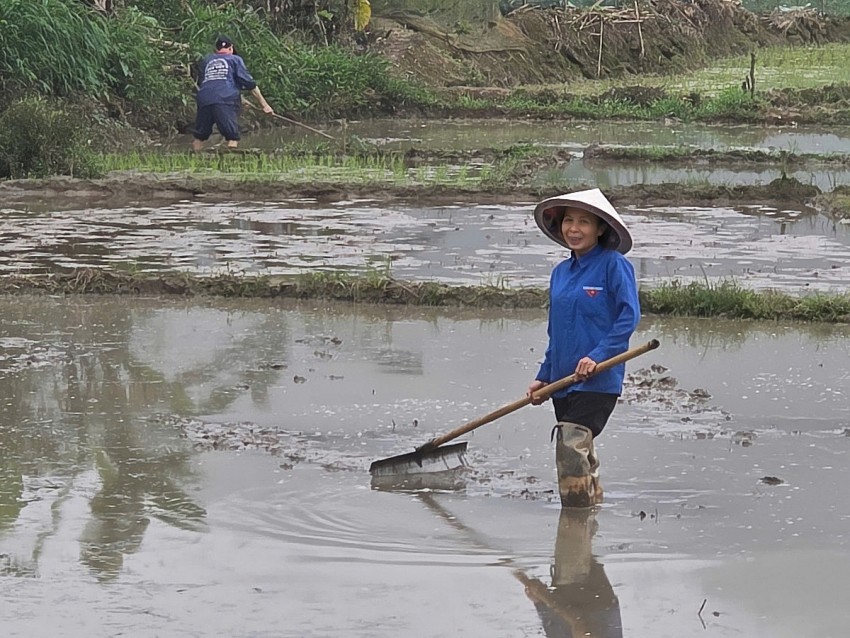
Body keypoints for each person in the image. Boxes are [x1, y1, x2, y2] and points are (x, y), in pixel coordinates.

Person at [527, 188, 640, 504]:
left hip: (598, 377)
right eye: (568, 221)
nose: (574, 229)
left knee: (571, 444)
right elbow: (556, 332)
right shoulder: (560, 273)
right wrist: (545, 376)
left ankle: (574, 521)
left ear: (600, 228)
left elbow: (628, 317)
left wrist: (597, 356)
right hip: (564, 379)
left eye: (584, 222)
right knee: (579, 447)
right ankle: (591, 513)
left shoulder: (613, 265)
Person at [192, 35, 274, 151]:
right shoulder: (235, 60)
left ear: (216, 49)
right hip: (225, 99)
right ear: (231, 48)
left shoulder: (207, 60)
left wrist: (240, 99)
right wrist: (265, 106)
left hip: (204, 98)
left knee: (199, 136)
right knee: (232, 136)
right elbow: (250, 84)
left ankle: (195, 158)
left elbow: (211, 82)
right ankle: (231, 160)